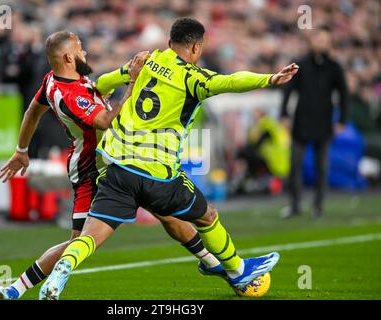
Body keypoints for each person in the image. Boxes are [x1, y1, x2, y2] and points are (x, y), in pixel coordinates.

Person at [40, 18, 298, 300]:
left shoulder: (147, 61)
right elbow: (232, 81)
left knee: (90, 236)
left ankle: (63, 268)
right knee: (206, 215)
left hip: (117, 167)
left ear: (168, 43)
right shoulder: (194, 78)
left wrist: (117, 81)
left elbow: (102, 82)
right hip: (156, 173)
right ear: (197, 47)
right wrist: (269, 78)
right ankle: (237, 270)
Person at [0, 31, 222, 300]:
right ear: (69, 57)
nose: (85, 53)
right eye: (80, 50)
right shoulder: (72, 93)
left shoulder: (53, 82)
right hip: (95, 169)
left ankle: (213, 263)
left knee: (166, 212)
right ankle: (17, 287)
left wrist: (22, 150)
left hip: (118, 161)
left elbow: (33, 110)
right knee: (79, 241)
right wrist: (133, 84)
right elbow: (105, 121)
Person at [280, 26, 348, 219]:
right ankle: (295, 205)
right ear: (311, 41)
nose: (321, 43)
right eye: (318, 39)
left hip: (324, 122)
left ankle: (318, 205)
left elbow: (344, 95)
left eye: (325, 39)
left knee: (322, 167)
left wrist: (342, 119)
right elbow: (288, 90)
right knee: (295, 164)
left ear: (329, 42)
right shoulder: (300, 64)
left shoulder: (335, 67)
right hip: (302, 121)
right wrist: (284, 114)